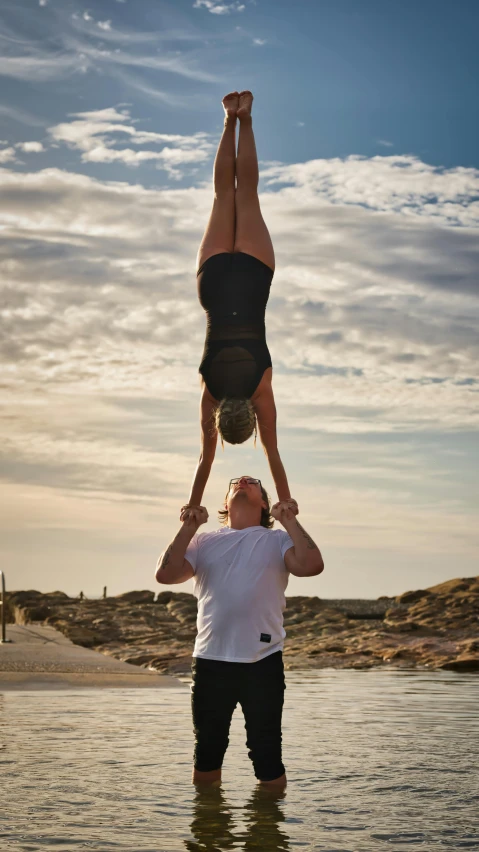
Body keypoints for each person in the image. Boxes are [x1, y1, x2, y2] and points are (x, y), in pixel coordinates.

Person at [155, 475, 324, 790]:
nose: (244, 481)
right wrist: (188, 526)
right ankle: (208, 830)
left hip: (263, 660)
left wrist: (290, 521)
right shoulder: (204, 541)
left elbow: (312, 565)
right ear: (224, 503)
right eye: (236, 482)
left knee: (267, 755)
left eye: (253, 482)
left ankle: (268, 833)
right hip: (210, 660)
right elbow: (165, 574)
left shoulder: (277, 540)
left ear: (264, 503)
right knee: (207, 752)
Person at [183, 91, 296, 523]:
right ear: (219, 419)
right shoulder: (208, 388)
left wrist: (284, 499)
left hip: (251, 281)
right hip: (213, 285)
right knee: (220, 196)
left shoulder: (260, 386)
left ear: (249, 417)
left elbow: (272, 450)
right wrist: (193, 503)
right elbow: (204, 460)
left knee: (245, 193)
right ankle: (227, 119)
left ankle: (244, 120)